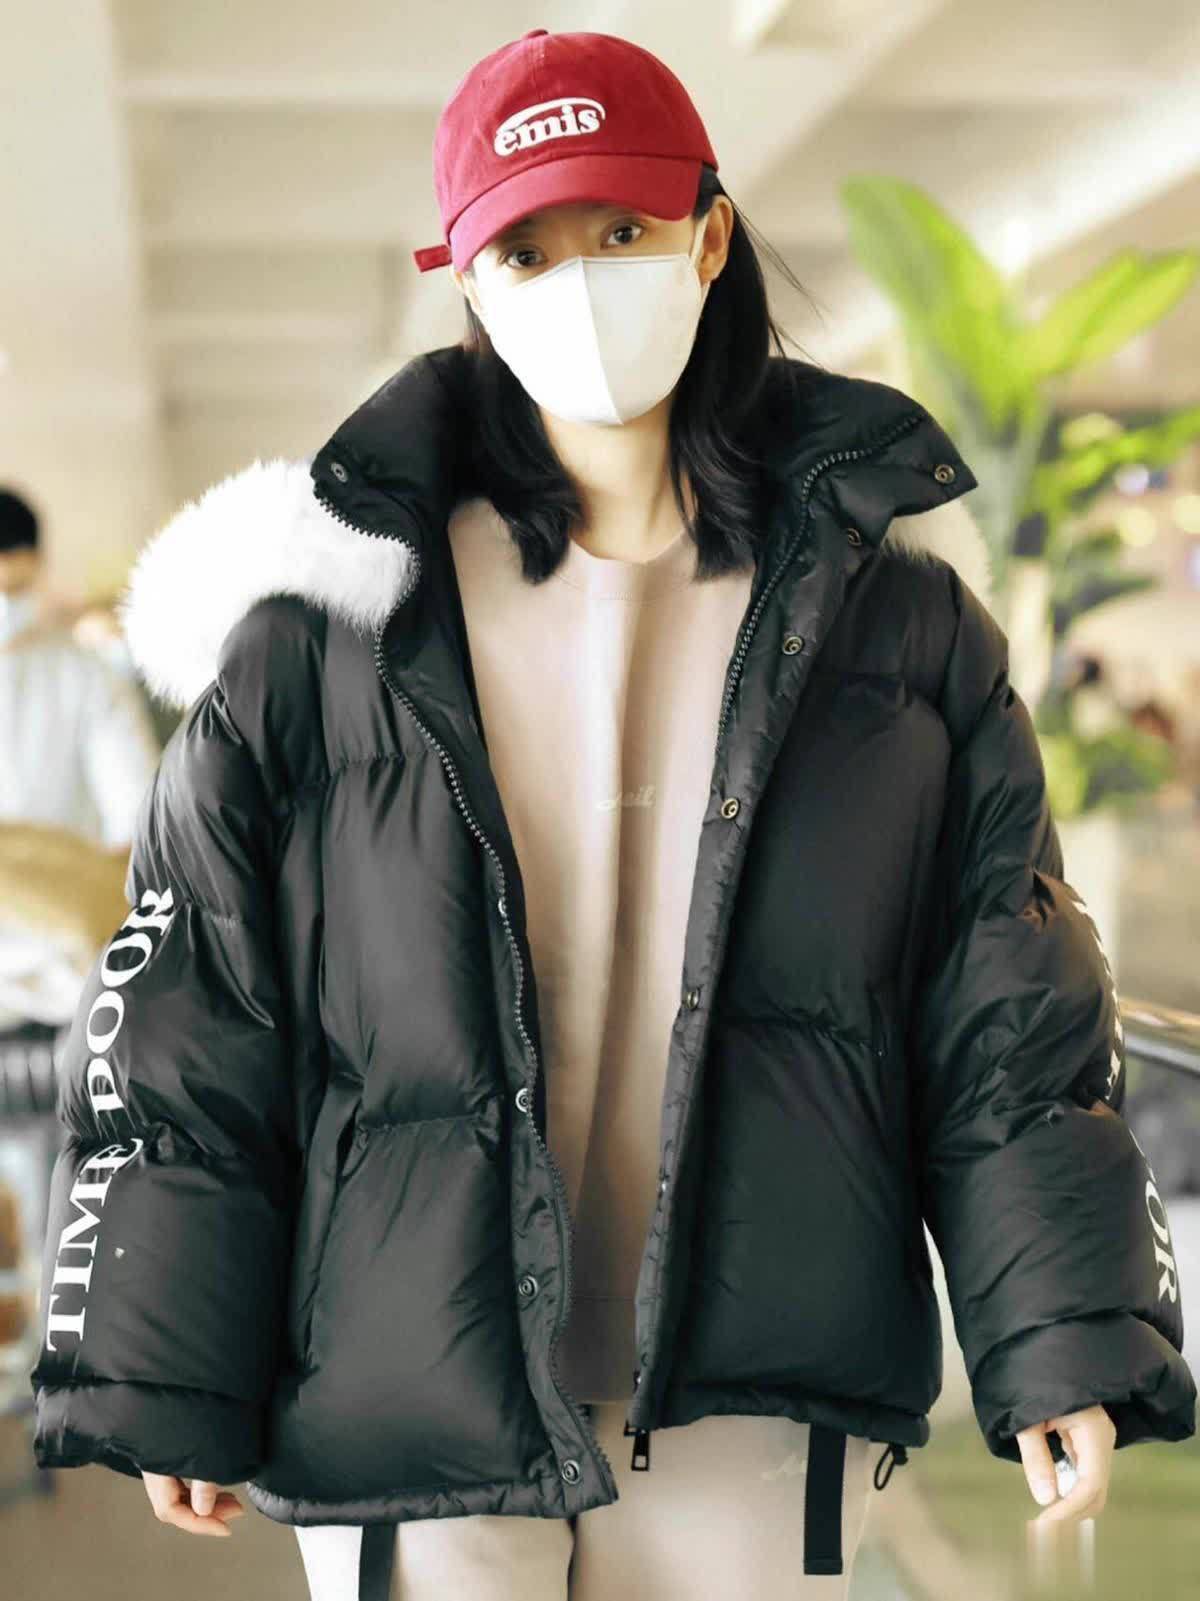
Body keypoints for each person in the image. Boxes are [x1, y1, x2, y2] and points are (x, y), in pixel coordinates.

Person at [28, 27, 1196, 1601]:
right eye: (527, 249)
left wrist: (1061, 1337)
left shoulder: (897, 626)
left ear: (709, 239)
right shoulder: (323, 629)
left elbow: (1005, 1007)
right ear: (468, 279)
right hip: (402, 1377)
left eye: (624, 230)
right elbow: (197, 1004)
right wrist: (162, 1360)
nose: (580, 284)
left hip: (761, 1375)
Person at [0, 485, 160, 1030]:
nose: (5, 604)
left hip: (70, 960)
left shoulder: (87, 676)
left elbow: (137, 821)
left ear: (40, 570)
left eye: (17, 588)